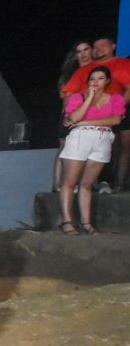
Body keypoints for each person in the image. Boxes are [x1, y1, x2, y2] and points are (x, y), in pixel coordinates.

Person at [58, 67, 125, 235]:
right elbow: (74, 118)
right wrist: (89, 99)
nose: (95, 82)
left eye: (100, 78)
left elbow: (115, 120)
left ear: (107, 81)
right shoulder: (78, 97)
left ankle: (86, 222)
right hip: (80, 138)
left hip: (102, 139)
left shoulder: (115, 98)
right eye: (92, 78)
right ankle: (67, 221)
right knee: (70, 181)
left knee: (87, 184)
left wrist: (84, 123)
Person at [62, 37, 130, 192]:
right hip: (86, 113)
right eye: (95, 46)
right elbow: (69, 93)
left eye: (103, 45)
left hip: (116, 111)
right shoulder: (85, 69)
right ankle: (78, 184)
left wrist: (118, 107)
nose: (98, 48)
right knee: (80, 148)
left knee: (118, 146)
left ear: (113, 46)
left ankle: (113, 183)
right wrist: (70, 114)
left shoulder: (123, 64)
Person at [53, 40, 94, 193]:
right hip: (70, 115)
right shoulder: (70, 74)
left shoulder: (97, 71)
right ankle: (57, 184)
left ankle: (77, 184)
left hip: (91, 116)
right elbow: (65, 97)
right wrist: (69, 116)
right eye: (79, 51)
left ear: (92, 50)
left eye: (86, 49)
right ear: (75, 55)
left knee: (85, 150)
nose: (83, 54)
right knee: (64, 147)